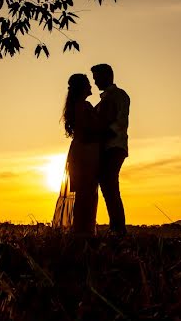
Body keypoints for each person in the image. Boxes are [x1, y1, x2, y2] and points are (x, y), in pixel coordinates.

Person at [54, 73, 107, 235]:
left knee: (84, 194)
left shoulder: (76, 106)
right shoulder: (84, 106)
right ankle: (84, 232)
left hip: (79, 151)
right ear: (82, 88)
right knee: (87, 193)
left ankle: (81, 231)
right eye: (88, 84)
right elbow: (91, 129)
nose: (91, 86)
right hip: (86, 151)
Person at [91, 63, 130, 235]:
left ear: (107, 76)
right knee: (108, 185)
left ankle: (118, 228)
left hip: (114, 146)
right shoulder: (107, 98)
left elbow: (116, 123)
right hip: (111, 146)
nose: (95, 82)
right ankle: (116, 226)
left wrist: (101, 133)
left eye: (97, 78)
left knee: (109, 185)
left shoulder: (117, 96)